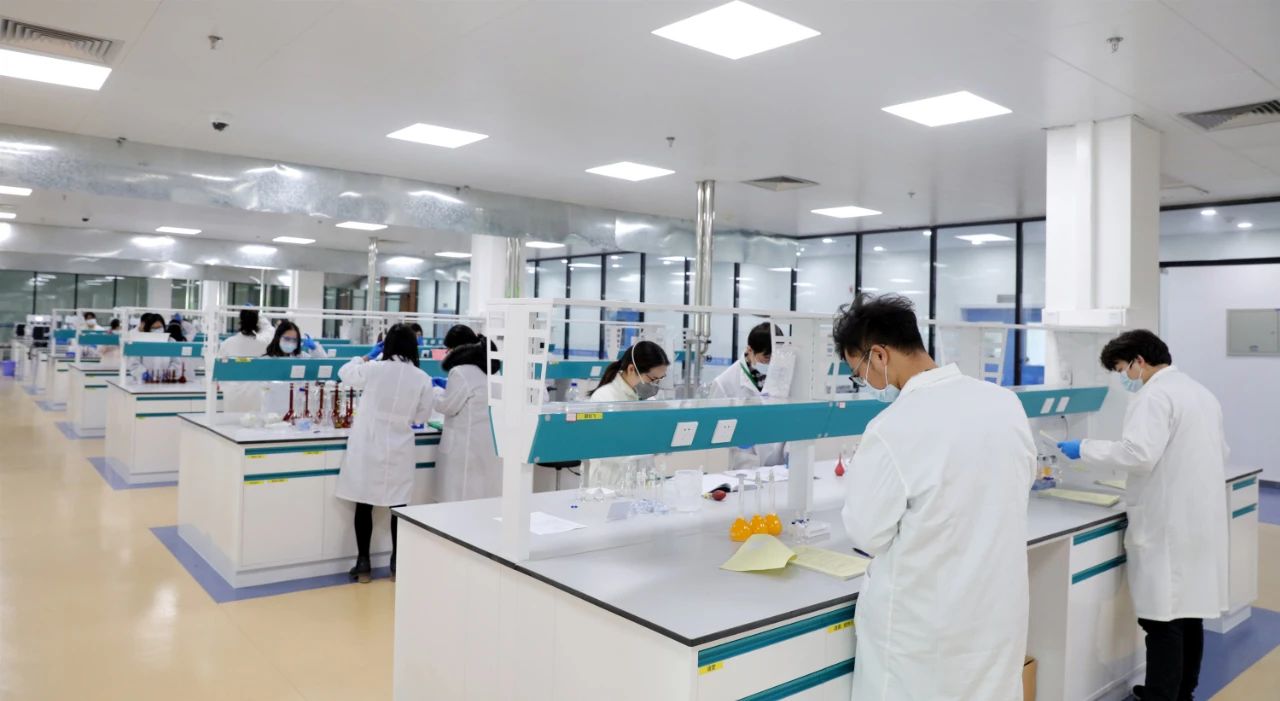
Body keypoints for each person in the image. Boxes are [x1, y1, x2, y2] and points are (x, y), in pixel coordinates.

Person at [835, 293, 1035, 700]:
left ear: (879, 355)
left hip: (923, 627)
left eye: (858, 372)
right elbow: (1019, 482)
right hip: (996, 613)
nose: (864, 383)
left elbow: (867, 534)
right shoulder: (1005, 403)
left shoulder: (892, 427)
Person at [1057, 330, 1228, 701]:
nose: (1124, 378)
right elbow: (1218, 451)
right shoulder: (1200, 392)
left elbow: (1138, 453)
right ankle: (1182, 692)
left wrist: (1083, 448)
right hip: (1198, 519)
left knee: (1161, 620)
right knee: (1189, 614)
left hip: (1167, 524)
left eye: (1122, 369)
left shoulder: (1154, 395)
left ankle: (1160, 696)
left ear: (1139, 360)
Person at [336, 323, 435, 582]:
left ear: (387, 344)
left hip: (368, 446)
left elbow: (344, 373)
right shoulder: (422, 378)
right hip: (400, 448)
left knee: (363, 503)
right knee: (399, 506)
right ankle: (397, 565)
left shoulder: (374, 368)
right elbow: (422, 417)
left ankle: (363, 564)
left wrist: (365, 356)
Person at [586, 340, 670, 490]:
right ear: (631, 369)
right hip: (609, 485)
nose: (655, 386)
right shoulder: (604, 398)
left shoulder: (648, 400)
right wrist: (651, 446)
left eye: (659, 380)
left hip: (643, 483)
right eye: (652, 379)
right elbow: (612, 449)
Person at [708, 322, 785, 469]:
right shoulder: (725, 382)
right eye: (766, 358)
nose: (771, 363)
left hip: (778, 459)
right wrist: (737, 436)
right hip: (747, 461)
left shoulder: (782, 375)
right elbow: (714, 427)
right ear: (750, 350)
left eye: (775, 357)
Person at [435, 336, 501, 501]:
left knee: (460, 497)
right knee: (483, 497)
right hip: (489, 446)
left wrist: (435, 392)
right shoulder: (496, 374)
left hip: (465, 448)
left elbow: (447, 406)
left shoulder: (461, 372)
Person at [218, 309, 270, 412]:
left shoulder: (228, 343)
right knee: (253, 420)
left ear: (240, 321)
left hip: (232, 392)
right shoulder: (263, 344)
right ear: (257, 322)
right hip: (255, 392)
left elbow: (220, 369)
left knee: (231, 421)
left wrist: (223, 385)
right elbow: (269, 329)